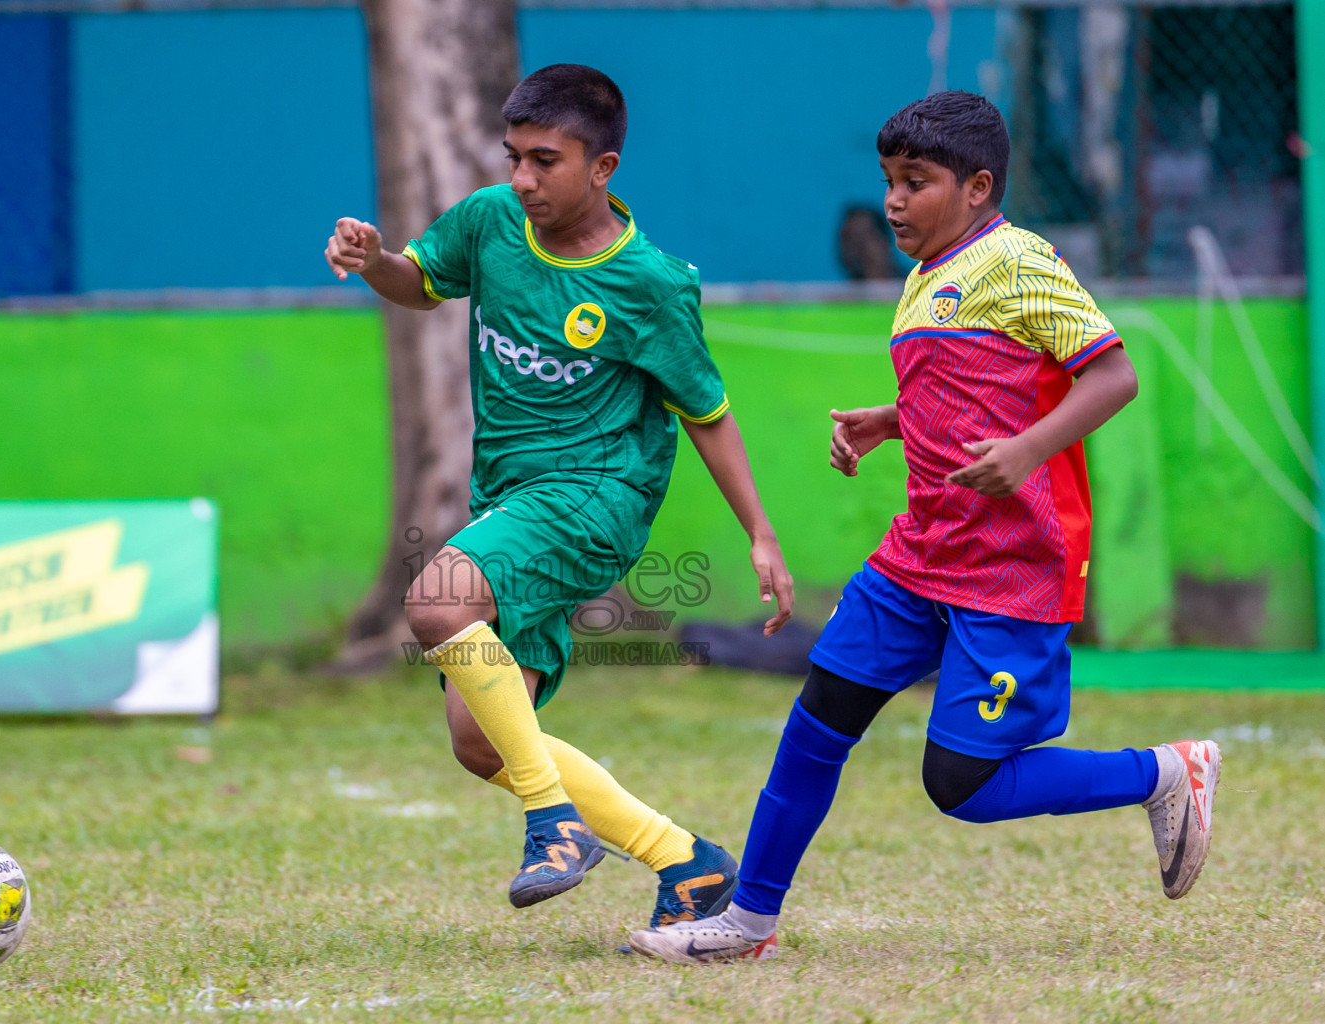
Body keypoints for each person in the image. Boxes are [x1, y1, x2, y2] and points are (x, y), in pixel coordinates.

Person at [627, 91, 1220, 964]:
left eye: (916, 182)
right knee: (818, 718)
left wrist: (1025, 452)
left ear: (978, 187)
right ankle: (748, 920)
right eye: (888, 182)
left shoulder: (1019, 261)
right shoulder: (923, 276)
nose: (894, 201)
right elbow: (975, 390)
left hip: (1012, 566)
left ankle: (1166, 772)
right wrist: (891, 418)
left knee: (961, 784)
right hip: (919, 553)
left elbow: (1112, 377)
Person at [323, 64, 795, 925]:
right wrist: (374, 260)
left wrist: (759, 533)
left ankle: (555, 826)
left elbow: (707, 413)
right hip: (512, 503)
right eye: (513, 157)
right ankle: (687, 864)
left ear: (602, 167)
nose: (522, 179)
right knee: (481, 742)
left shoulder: (649, 282)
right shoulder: (490, 222)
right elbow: (418, 287)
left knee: (434, 602)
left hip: (598, 496)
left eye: (544, 160)